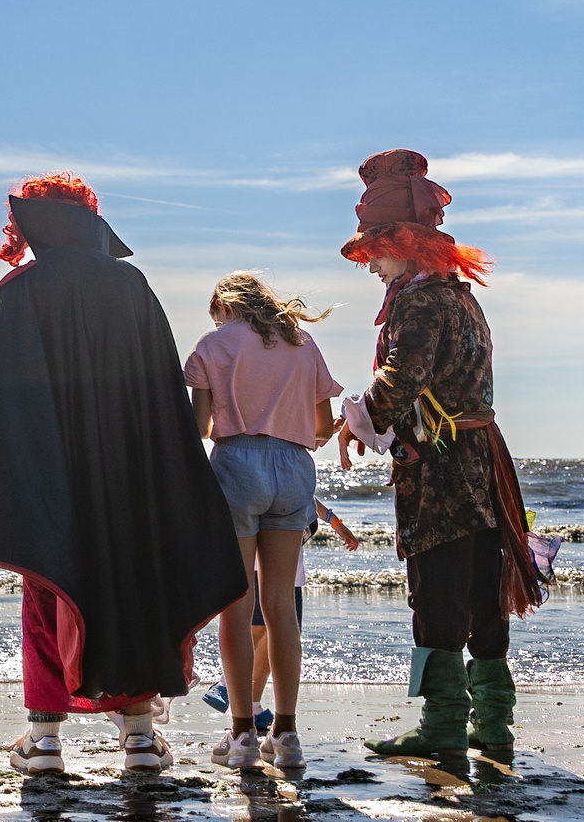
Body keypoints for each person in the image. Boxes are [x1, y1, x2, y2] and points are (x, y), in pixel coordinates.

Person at [0, 174, 246, 774]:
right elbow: (162, 384)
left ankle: (43, 741)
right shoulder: (132, 285)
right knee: (135, 580)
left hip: (50, 462)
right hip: (131, 466)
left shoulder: (19, 291)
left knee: (47, 585)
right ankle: (139, 737)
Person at [336, 150, 544, 761]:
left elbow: (403, 377)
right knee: (484, 588)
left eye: (374, 250)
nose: (370, 264)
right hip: (482, 457)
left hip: (442, 464)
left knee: (437, 591)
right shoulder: (462, 297)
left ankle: (444, 724)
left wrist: (357, 420)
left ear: (401, 243)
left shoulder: (418, 301)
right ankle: (494, 724)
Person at [185, 273, 344, 771]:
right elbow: (321, 426)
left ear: (223, 308)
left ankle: (242, 735)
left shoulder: (214, 345)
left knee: (237, 605)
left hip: (237, 464)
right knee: (281, 607)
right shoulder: (302, 342)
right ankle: (288, 733)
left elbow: (201, 430)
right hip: (295, 469)